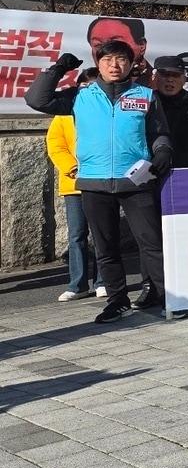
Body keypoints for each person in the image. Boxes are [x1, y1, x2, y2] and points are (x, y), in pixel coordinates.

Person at [27, 43, 172, 323]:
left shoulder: (145, 95)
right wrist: (58, 69)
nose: (114, 65)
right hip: (94, 182)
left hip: (136, 181)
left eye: (121, 59)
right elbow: (36, 99)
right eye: (108, 59)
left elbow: (159, 133)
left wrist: (163, 150)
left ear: (131, 64)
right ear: (99, 63)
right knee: (106, 247)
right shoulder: (80, 96)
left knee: (152, 242)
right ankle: (117, 300)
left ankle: (168, 297)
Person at [46, 68, 100, 301]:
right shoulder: (64, 114)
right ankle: (77, 284)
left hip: (100, 182)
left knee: (102, 234)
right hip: (74, 184)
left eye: (94, 86)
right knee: (77, 235)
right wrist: (73, 168)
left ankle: (102, 281)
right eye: (85, 86)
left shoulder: (105, 113)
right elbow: (56, 145)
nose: (89, 90)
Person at [86, 16, 151, 81]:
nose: (107, 50)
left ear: (142, 45)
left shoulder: (155, 86)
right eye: (98, 44)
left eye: (116, 43)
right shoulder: (85, 86)